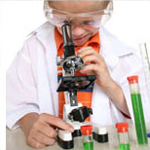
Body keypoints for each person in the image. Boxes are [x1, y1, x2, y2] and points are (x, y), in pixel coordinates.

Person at [6, 0, 150, 149]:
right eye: (64, 21)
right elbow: (14, 102)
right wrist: (29, 122)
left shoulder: (126, 57)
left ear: (105, 11)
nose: (77, 32)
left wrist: (110, 85)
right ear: (50, 9)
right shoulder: (34, 48)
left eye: (89, 21)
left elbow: (144, 111)